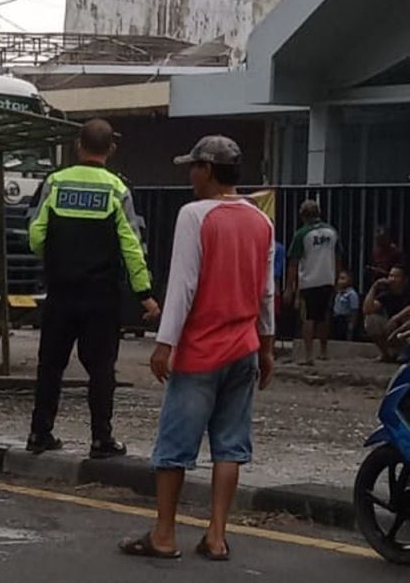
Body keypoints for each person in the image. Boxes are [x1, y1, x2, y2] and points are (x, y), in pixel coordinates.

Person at [120, 135, 275, 562]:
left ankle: (164, 534)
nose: (189, 174)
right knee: (230, 445)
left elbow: (184, 286)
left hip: (201, 351)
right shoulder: (261, 221)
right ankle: (217, 535)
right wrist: (267, 347)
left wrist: (163, 344)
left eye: (193, 167)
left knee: (174, 447)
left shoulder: (194, 215)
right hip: (244, 347)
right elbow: (266, 293)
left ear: (207, 170)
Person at [27, 119, 160, 459]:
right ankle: (101, 439)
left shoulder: (55, 183)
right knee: (101, 368)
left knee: (51, 365)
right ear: (111, 149)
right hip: (101, 296)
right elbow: (132, 245)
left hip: (61, 291)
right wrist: (144, 294)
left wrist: (56, 259)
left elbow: (36, 234)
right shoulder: (118, 189)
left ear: (77, 146)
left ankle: (40, 433)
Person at [286, 200, 342, 364]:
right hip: (328, 278)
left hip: (309, 280)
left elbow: (293, 263)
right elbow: (338, 257)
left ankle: (308, 355)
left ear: (302, 216)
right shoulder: (332, 232)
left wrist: (290, 287)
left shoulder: (302, 234)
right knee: (324, 316)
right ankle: (323, 352)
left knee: (308, 317)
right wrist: (336, 278)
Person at [364, 263, 410, 362]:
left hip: (405, 328)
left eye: (396, 276)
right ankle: (386, 354)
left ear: (405, 279)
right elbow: (367, 310)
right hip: (393, 329)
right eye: (390, 276)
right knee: (371, 320)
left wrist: (396, 317)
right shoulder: (386, 294)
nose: (392, 279)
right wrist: (374, 287)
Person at [332, 270, 361, 342]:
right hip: (336, 319)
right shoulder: (338, 293)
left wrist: (351, 325)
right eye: (339, 278)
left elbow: (354, 310)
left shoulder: (352, 294)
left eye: (343, 278)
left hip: (345, 319)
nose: (340, 281)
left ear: (349, 280)